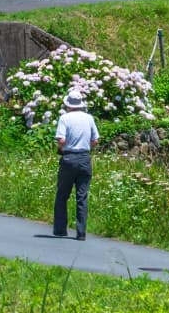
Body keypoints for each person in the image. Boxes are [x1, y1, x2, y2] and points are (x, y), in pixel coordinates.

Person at [52, 88, 97, 239]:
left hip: (69, 158)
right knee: (82, 197)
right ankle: (81, 232)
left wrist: (62, 148)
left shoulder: (65, 118)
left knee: (62, 195)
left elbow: (61, 140)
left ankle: (60, 230)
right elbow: (95, 140)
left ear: (68, 104)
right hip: (84, 158)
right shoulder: (89, 118)